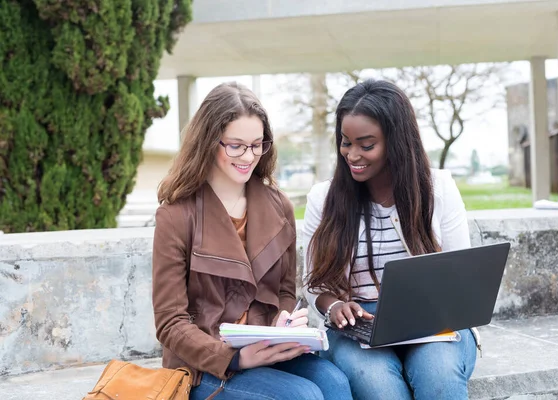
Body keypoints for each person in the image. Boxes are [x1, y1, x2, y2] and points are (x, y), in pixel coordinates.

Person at [152, 82, 352, 400]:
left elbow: (286, 291)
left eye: (258, 145)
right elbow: (169, 322)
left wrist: (283, 321)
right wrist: (236, 357)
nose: (249, 156)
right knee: (301, 397)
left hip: (268, 348)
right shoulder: (176, 215)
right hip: (204, 366)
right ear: (208, 142)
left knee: (335, 383)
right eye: (236, 145)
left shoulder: (279, 206)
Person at [303, 79, 478, 400]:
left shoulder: (437, 189)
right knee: (379, 387)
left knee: (439, 379)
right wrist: (336, 306)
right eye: (345, 142)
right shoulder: (324, 198)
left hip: (432, 319)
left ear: (396, 141)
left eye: (366, 145)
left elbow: (459, 274)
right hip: (358, 323)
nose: (352, 155)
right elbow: (314, 284)